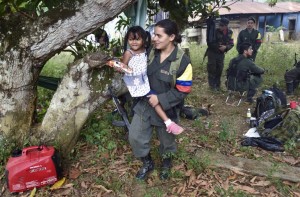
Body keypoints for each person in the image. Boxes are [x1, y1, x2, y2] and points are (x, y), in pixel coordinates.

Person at [128, 19, 192, 180]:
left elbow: (183, 90)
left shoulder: (183, 62)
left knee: (167, 142)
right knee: (135, 137)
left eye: (158, 35)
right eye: (153, 34)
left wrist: (160, 99)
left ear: (171, 37)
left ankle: (166, 164)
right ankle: (147, 162)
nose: (154, 38)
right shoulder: (150, 52)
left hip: (167, 108)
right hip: (144, 104)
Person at [116, 25, 185, 134]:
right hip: (136, 81)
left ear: (143, 39)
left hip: (145, 80)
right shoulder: (128, 53)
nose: (134, 42)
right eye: (130, 39)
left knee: (153, 98)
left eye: (137, 39)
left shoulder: (148, 51)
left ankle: (166, 122)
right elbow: (123, 68)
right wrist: (119, 67)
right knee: (152, 99)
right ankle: (168, 122)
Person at [206, 17, 234, 91]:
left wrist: (226, 47)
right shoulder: (214, 31)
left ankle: (217, 85)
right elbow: (210, 42)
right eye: (219, 25)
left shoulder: (230, 32)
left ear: (226, 26)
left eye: (222, 25)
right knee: (212, 69)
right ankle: (212, 86)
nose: (220, 27)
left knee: (219, 69)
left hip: (221, 54)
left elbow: (231, 43)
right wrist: (218, 47)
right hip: (212, 52)